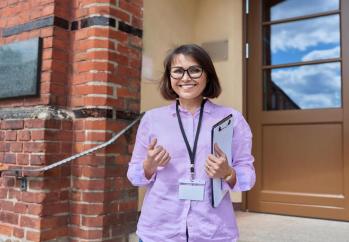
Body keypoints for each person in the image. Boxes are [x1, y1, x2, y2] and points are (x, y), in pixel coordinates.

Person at [127, 44, 255, 242]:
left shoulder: (231, 119)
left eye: (194, 70)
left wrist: (228, 173)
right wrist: (148, 166)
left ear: (208, 74)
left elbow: (247, 174)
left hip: (213, 231)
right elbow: (135, 175)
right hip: (159, 230)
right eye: (178, 71)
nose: (185, 78)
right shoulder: (152, 119)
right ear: (169, 78)